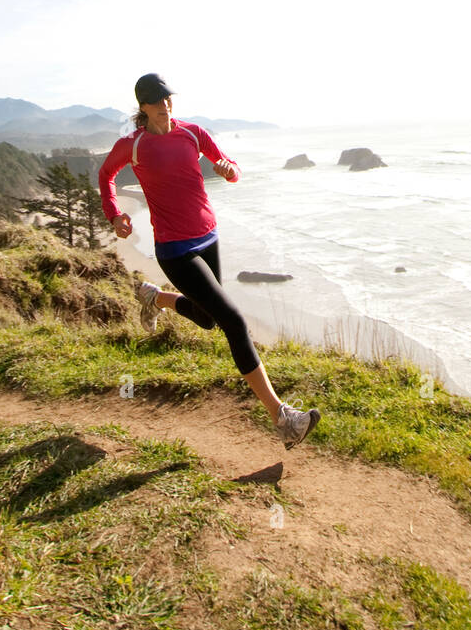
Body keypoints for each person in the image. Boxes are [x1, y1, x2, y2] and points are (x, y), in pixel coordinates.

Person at [98, 72, 321, 450]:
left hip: (208, 236)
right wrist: (115, 214)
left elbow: (227, 163)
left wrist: (229, 170)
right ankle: (283, 418)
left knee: (207, 319)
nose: (165, 105)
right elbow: (106, 174)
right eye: (156, 100)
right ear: (143, 108)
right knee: (234, 320)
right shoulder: (132, 146)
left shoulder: (193, 133)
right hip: (175, 250)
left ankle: (155, 298)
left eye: (168, 97)